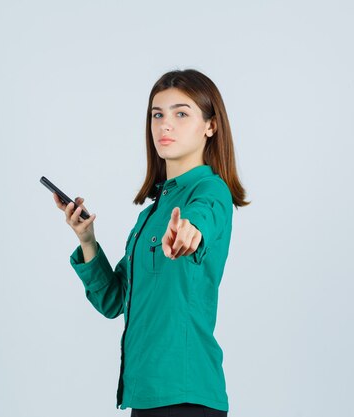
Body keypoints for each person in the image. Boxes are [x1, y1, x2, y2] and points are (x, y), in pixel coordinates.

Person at [52, 68, 249, 417]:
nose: (165, 125)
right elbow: (113, 300)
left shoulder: (210, 191)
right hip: (146, 395)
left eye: (181, 113)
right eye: (157, 114)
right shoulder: (151, 216)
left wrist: (189, 232)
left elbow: (202, 219)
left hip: (187, 396)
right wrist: (87, 240)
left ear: (210, 126)